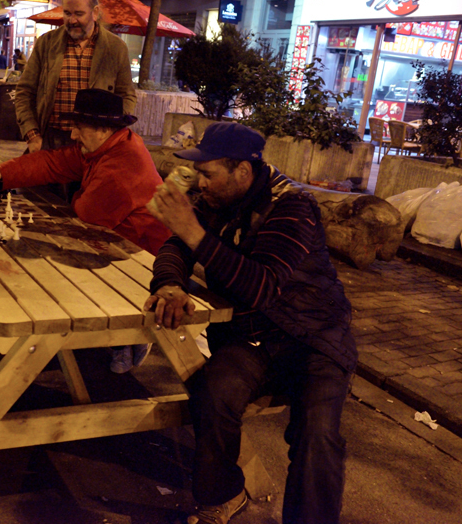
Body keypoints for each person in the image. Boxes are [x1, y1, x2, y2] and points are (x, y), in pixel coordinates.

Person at [144, 122, 356, 524]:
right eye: (199, 174)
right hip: (252, 336)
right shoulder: (217, 199)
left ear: (242, 171)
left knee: (317, 435)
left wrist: (192, 232)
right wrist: (171, 284)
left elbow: (261, 285)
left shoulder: (292, 207)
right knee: (211, 392)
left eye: (208, 174)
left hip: (313, 336)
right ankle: (223, 494)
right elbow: (175, 246)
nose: (200, 183)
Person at [0, 88, 170, 373]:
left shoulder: (123, 162)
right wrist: (1, 172)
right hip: (115, 243)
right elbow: (54, 163)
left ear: (103, 129)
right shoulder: (105, 146)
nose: (73, 135)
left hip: (143, 260)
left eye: (79, 127)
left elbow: (88, 212)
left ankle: (130, 339)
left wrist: (76, 195)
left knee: (52, 268)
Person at [14, 0, 136, 154]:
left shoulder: (115, 48)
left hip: (93, 145)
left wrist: (107, 131)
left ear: (95, 13)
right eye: (67, 13)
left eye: (79, 14)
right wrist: (32, 135)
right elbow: (24, 92)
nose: (72, 20)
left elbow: (127, 95)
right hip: (50, 141)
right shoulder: (46, 44)